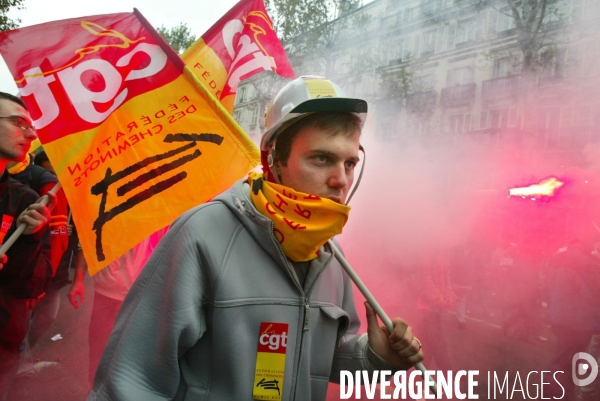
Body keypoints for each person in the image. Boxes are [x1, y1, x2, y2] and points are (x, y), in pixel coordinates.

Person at [89, 76, 424, 401]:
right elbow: (131, 381)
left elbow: (320, 357)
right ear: (274, 160)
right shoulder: (202, 235)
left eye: (349, 163)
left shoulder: (330, 257)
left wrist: (374, 357)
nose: (340, 180)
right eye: (322, 158)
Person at [0, 91, 55, 400]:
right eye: (18, 122)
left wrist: (29, 239)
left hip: (5, 341)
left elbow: (34, 286)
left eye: (31, 126)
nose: (31, 134)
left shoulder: (25, 201)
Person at [68, 229, 167, 386]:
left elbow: (168, 250)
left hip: (140, 295)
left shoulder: (157, 210)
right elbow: (88, 243)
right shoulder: (105, 206)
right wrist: (78, 280)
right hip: (107, 294)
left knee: (132, 360)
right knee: (99, 356)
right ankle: (97, 391)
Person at [7, 150, 69, 350]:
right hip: (10, 271)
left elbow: (58, 237)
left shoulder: (43, 181)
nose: (29, 133)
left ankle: (25, 353)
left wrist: (41, 281)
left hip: (37, 270)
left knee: (29, 322)